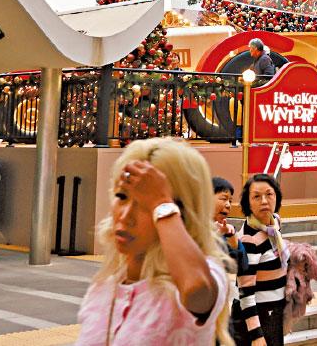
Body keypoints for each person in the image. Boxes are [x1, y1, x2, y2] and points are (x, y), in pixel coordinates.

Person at [75, 138, 230, 345]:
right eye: (122, 196)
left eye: (145, 204)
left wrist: (160, 203)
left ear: (179, 213)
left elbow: (197, 289)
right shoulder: (103, 287)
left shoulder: (198, 278)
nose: (126, 215)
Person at [233, 173, 287, 346]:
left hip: (273, 312)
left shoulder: (273, 225)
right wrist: (256, 335)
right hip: (256, 317)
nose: (264, 201)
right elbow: (245, 293)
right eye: (256, 196)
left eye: (269, 194)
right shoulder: (249, 240)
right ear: (247, 203)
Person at [212, 176, 248, 277]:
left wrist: (232, 238)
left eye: (230, 201)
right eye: (224, 199)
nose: (228, 205)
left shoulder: (227, 231)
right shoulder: (193, 228)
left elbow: (242, 267)